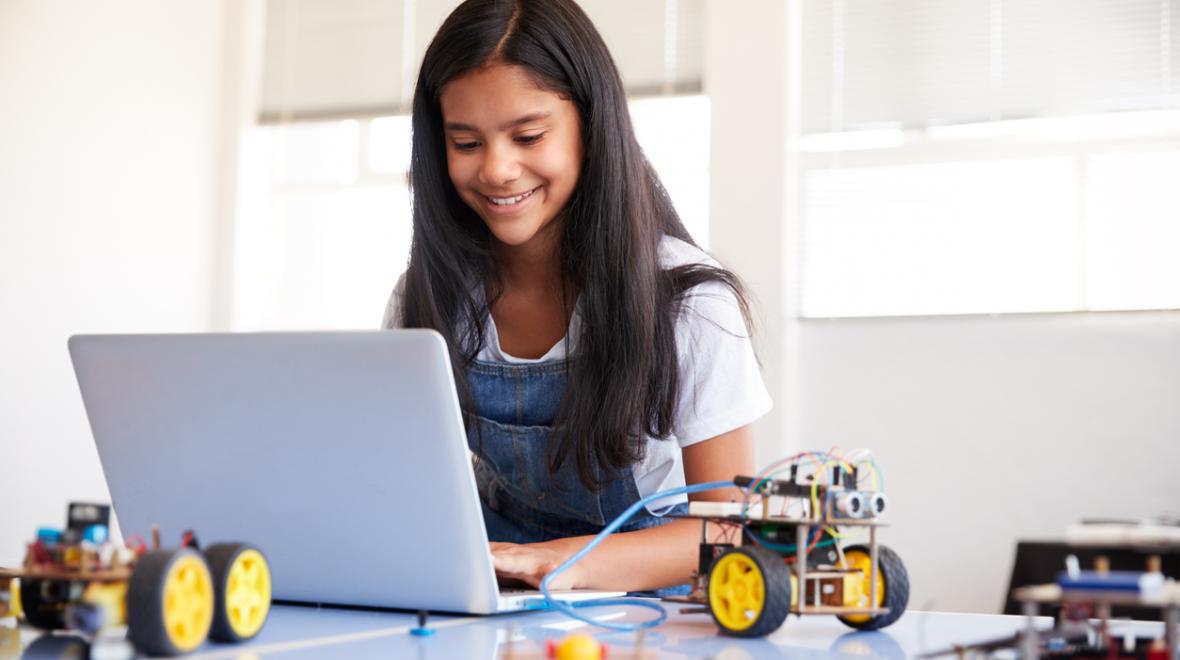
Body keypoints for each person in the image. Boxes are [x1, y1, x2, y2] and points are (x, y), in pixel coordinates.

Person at [382, 0, 771, 594]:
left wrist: (567, 562)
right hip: (496, 597)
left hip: (644, 610)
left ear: (592, 126)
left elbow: (730, 529)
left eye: (528, 136)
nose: (497, 169)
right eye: (466, 143)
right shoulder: (428, 297)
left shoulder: (686, 299)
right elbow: (406, 492)